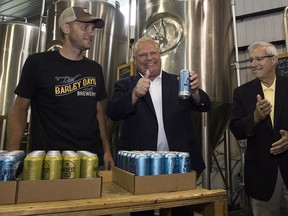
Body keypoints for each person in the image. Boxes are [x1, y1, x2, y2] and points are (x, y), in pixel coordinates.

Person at [106, 36, 211, 216]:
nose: (149, 58)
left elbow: (205, 105)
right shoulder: (125, 84)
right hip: (141, 167)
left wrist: (194, 92)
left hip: (179, 164)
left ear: (160, 54)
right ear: (135, 60)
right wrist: (134, 94)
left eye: (153, 53)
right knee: (142, 212)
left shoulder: (178, 81)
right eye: (142, 55)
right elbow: (113, 112)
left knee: (183, 211)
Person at [6, 6, 114, 168]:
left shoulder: (95, 69)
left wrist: (106, 150)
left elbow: (98, 112)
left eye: (92, 28)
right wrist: (12, 157)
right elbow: (19, 109)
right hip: (51, 162)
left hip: (90, 159)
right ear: (66, 28)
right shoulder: (38, 63)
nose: (91, 33)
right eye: (85, 27)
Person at [230, 41, 288, 216]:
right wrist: (255, 118)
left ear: (274, 60)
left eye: (258, 59)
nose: (253, 65)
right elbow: (236, 129)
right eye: (251, 60)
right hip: (262, 177)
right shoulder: (242, 93)